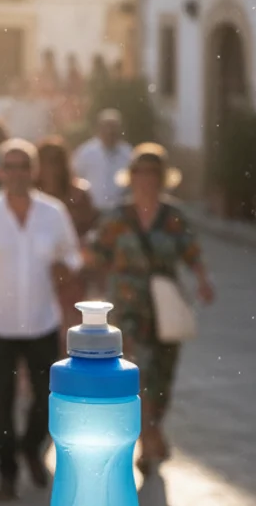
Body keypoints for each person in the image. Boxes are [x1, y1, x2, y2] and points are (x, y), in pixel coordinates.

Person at [0, 139, 83, 502]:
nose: (18, 173)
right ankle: (6, 473)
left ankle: (31, 446)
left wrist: (65, 268)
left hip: (42, 322)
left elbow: (73, 255)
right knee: (2, 400)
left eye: (25, 166)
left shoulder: (53, 212)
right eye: (11, 166)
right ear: (0, 172)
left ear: (34, 171)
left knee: (48, 396)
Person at [89, 143, 215, 474]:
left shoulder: (173, 217)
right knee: (138, 374)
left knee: (162, 379)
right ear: (131, 177)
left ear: (162, 177)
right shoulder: (117, 218)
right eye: (139, 172)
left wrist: (203, 281)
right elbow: (96, 254)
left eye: (152, 173)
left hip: (165, 312)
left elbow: (191, 252)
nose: (145, 179)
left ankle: (153, 428)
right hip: (127, 310)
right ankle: (149, 439)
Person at [36, 139, 98, 335]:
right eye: (45, 160)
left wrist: (77, 260)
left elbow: (92, 232)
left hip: (70, 273)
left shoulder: (79, 195)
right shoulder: (30, 197)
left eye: (55, 160)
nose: (50, 167)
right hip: (37, 273)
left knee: (69, 331)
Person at [72, 109, 132, 211]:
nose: (110, 131)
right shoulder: (85, 153)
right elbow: (75, 178)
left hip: (120, 212)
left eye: (113, 127)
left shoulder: (129, 154)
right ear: (99, 128)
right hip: (91, 210)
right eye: (106, 127)